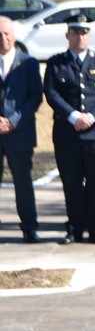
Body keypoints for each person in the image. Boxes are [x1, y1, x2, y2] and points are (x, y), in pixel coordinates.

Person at [43, 16, 95, 244]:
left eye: (84, 33)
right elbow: (51, 94)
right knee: (72, 182)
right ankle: (75, 228)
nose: (80, 37)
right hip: (68, 133)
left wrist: (91, 117)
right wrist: (74, 116)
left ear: (90, 35)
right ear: (67, 35)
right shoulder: (56, 63)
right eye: (75, 33)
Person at [0, 16, 44, 243]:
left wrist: (12, 121)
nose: (3, 38)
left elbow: (35, 98)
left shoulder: (29, 63)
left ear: (14, 36)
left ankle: (29, 227)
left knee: (23, 183)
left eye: (7, 34)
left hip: (20, 133)